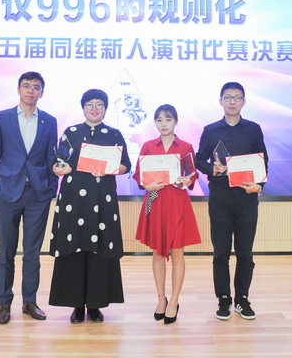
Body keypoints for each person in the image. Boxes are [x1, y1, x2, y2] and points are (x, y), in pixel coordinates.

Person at [48, 89, 131, 324]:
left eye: (99, 104)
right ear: (83, 108)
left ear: (105, 108)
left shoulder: (114, 134)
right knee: (74, 247)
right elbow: (58, 161)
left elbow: (126, 165)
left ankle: (95, 305)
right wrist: (59, 168)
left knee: (99, 249)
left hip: (102, 199)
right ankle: (76, 305)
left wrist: (111, 169)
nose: (94, 108)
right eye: (89, 104)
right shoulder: (71, 132)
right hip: (74, 200)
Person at [0, 71, 58, 324]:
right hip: (8, 193)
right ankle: (4, 304)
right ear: (18, 89)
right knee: (6, 251)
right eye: (26, 86)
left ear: (41, 93)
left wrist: (51, 188)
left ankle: (30, 302)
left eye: (35, 87)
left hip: (38, 195)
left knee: (32, 252)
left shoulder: (49, 121)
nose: (30, 90)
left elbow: (51, 158)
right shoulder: (1, 118)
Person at [195, 82, 268, 321]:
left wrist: (260, 186)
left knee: (245, 253)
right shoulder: (210, 130)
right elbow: (199, 160)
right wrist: (212, 169)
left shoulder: (254, 129)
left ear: (244, 102)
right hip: (220, 199)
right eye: (228, 97)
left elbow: (263, 162)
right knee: (221, 253)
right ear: (221, 101)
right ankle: (224, 299)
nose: (233, 101)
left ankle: (242, 299)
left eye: (237, 97)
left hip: (247, 199)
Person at [133, 104, 201, 324]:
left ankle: (174, 301)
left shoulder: (186, 147)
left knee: (177, 253)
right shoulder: (148, 146)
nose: (163, 124)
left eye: (168, 119)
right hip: (156, 202)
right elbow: (138, 175)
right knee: (157, 254)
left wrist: (188, 180)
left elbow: (193, 173)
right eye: (159, 120)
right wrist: (146, 184)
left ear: (175, 122)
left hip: (177, 202)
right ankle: (161, 299)